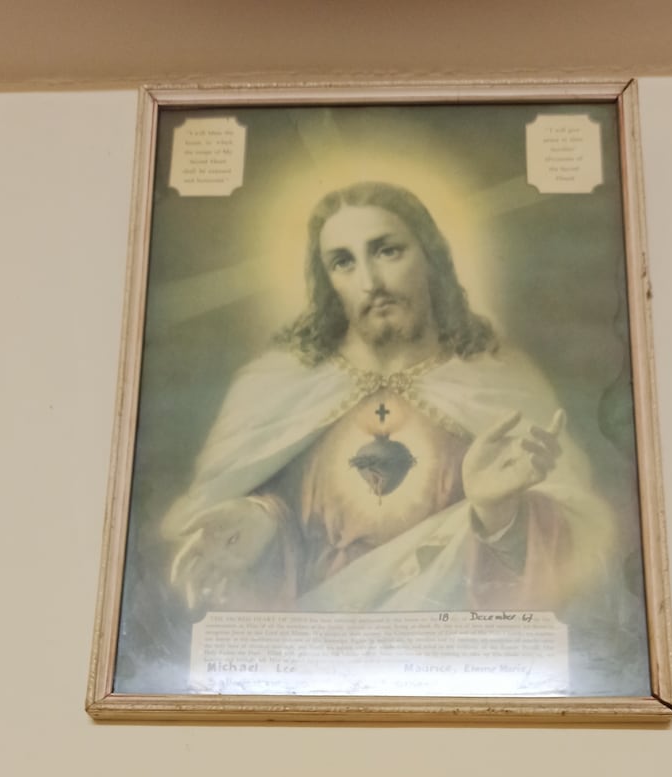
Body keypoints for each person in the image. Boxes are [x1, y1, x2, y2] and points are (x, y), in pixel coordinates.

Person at [161, 181, 616, 617]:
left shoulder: (497, 381)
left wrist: (500, 513)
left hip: (449, 645)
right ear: (327, 281)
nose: (370, 281)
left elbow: (580, 545)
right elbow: (252, 528)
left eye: (387, 251)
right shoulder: (277, 385)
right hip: (316, 644)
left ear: (430, 257)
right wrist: (259, 517)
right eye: (343, 262)